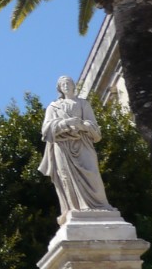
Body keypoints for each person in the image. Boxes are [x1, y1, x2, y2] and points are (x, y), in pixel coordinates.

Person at [39, 75, 113, 217]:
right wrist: (66, 123)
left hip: (82, 143)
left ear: (74, 85)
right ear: (60, 89)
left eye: (68, 83)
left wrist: (82, 125)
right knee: (67, 178)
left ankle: (100, 205)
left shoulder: (83, 104)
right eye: (63, 84)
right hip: (63, 147)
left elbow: (95, 129)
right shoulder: (53, 107)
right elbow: (46, 130)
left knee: (92, 174)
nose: (66, 86)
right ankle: (75, 208)